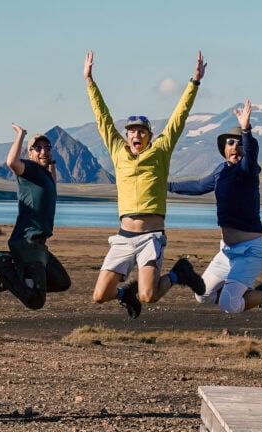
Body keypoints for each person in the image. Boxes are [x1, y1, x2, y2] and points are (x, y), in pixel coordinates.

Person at [83, 49, 207, 319]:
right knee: (99, 295)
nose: (136, 134)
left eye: (141, 131)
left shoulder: (160, 151)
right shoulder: (117, 151)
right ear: (126, 135)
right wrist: (90, 82)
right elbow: (102, 118)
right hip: (124, 237)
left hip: (151, 236)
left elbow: (178, 118)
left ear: (149, 135)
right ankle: (123, 294)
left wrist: (193, 82)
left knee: (148, 296)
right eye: (132, 131)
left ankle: (179, 273)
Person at [168, 100, 262, 318]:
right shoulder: (220, 171)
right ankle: (250, 292)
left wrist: (246, 129)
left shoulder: (248, 170)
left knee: (229, 304)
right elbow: (199, 186)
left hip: (250, 252)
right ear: (224, 149)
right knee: (203, 295)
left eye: (240, 143)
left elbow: (251, 155)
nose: (235, 146)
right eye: (230, 142)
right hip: (227, 252)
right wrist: (166, 186)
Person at [0, 124, 71, 309]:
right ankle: (1, 263)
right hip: (27, 241)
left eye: (47, 147)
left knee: (62, 282)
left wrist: (51, 163)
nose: (43, 151)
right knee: (35, 301)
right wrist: (21, 135)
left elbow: (52, 184)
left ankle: (8, 279)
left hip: (40, 244)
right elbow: (11, 162)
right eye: (37, 148)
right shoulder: (28, 170)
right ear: (29, 154)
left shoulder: (44, 175)